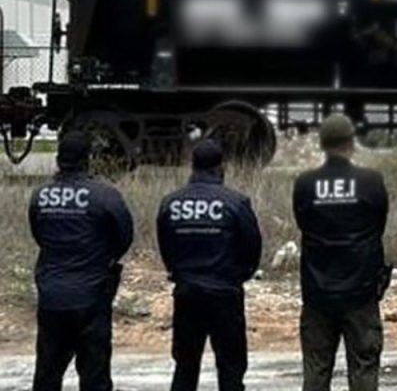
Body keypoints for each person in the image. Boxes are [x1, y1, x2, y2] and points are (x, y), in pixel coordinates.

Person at [29, 130, 134, 391]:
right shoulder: (106, 196)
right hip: (92, 294)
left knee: (47, 373)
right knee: (94, 375)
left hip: (52, 294)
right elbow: (124, 237)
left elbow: (39, 235)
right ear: (89, 159)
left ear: (58, 159)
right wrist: (102, 258)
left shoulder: (40, 196)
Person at [293, 113, 390, 391]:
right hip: (361, 293)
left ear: (323, 144)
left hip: (317, 293)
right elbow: (378, 227)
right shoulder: (371, 182)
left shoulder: (305, 184)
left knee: (316, 370)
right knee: (364, 369)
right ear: (351, 143)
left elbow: (303, 224)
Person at [157, 139, 263, 391]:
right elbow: (252, 247)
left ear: (192, 166)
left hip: (187, 293)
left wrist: (179, 272)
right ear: (220, 167)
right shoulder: (236, 202)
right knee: (231, 369)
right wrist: (239, 276)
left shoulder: (171, 203)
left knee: (185, 367)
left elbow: (166, 245)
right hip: (225, 294)